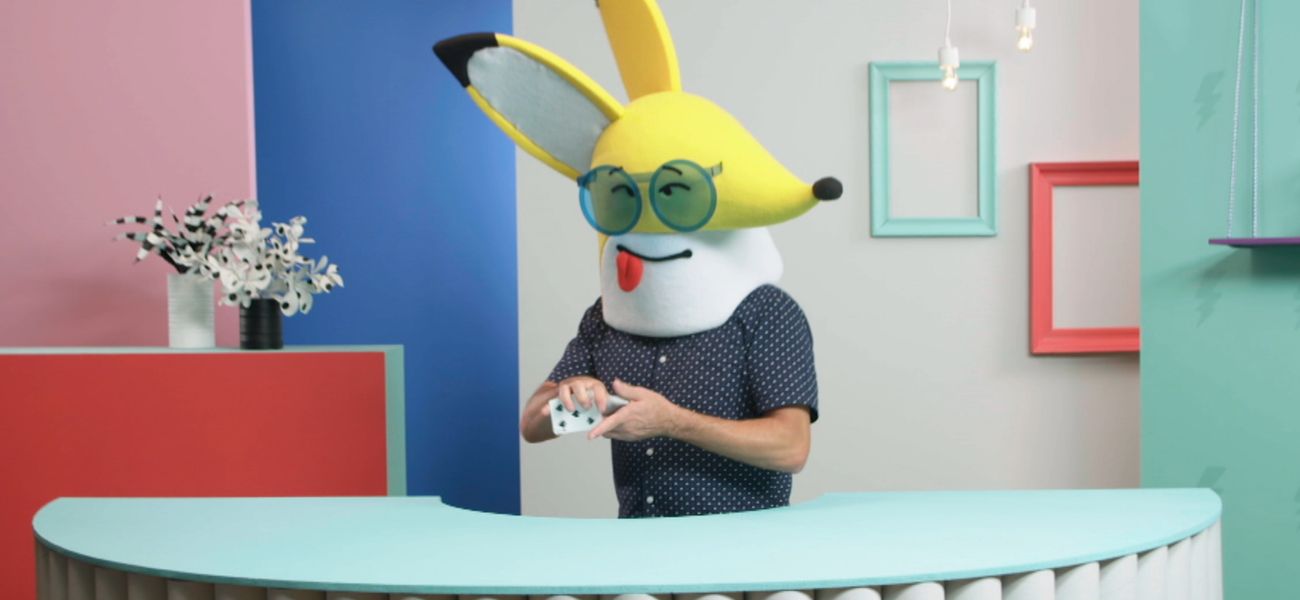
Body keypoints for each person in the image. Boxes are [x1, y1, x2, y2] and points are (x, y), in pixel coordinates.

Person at [519, 283, 818, 518]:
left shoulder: (766, 309)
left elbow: (791, 447)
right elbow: (532, 426)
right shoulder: (608, 315)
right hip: (639, 548)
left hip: (744, 550)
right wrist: (570, 395)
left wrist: (672, 422)